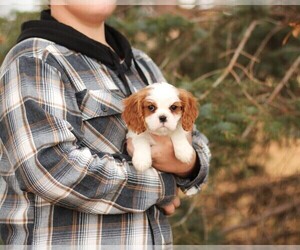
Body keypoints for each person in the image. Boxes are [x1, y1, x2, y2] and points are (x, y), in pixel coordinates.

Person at [0, 1, 210, 246]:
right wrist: (162, 185)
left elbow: (195, 138)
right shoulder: (36, 59)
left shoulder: (141, 65)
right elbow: (51, 168)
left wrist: (187, 165)